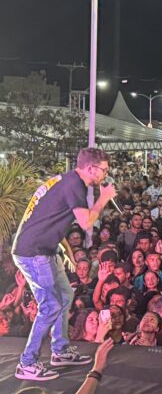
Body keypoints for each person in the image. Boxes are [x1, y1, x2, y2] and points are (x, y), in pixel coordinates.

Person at [12, 147, 116, 381]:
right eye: (104, 170)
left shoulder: (66, 181)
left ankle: (59, 350)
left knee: (66, 295)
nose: (105, 175)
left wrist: (66, 251)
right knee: (50, 305)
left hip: (45, 249)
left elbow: (50, 218)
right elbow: (87, 222)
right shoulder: (73, 185)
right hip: (34, 252)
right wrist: (104, 198)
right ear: (91, 168)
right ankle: (27, 363)